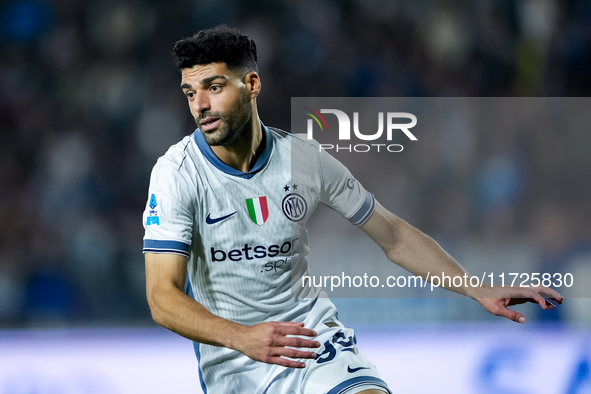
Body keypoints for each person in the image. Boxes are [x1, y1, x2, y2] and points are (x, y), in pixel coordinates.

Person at [142, 25, 563, 394]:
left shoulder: (304, 159)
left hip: (315, 339)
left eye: (214, 87)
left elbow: (393, 235)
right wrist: (242, 337)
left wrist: (475, 287)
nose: (200, 105)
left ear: (251, 84)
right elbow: (162, 298)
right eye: (190, 92)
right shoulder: (177, 174)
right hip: (235, 363)